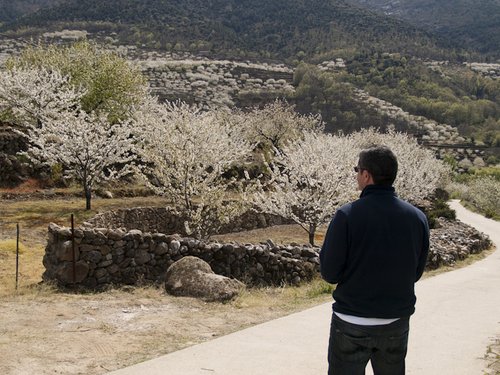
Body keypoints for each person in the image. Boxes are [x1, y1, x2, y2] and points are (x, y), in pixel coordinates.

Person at [320, 146, 429, 375]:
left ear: (366, 175)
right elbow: (416, 272)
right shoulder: (417, 218)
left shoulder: (347, 215)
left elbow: (330, 273)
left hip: (351, 319)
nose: (356, 175)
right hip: (395, 320)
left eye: (357, 170)